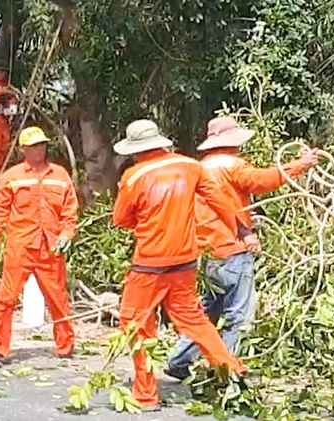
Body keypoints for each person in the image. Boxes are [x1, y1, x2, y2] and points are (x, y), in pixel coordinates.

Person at [165, 116, 320, 380]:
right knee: (239, 315)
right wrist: (300, 165)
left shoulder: (200, 169)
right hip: (232, 249)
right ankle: (227, 370)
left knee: (206, 313)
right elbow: (261, 180)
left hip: (208, 253)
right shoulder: (231, 165)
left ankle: (179, 360)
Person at [112, 119, 248, 411]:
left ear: (135, 150)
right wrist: (242, 232)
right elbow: (220, 202)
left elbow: (120, 219)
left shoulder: (134, 177)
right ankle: (232, 372)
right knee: (194, 320)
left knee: (135, 324)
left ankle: (146, 395)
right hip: (185, 261)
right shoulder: (190, 167)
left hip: (149, 263)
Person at [0, 126, 78, 368]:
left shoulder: (60, 175)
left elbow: (70, 211)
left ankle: (65, 345)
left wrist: (67, 234)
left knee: (58, 298)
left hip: (51, 247)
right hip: (20, 247)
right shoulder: (11, 177)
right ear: (23, 149)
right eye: (34, 146)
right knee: (6, 299)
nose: (39, 150)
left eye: (42, 145)